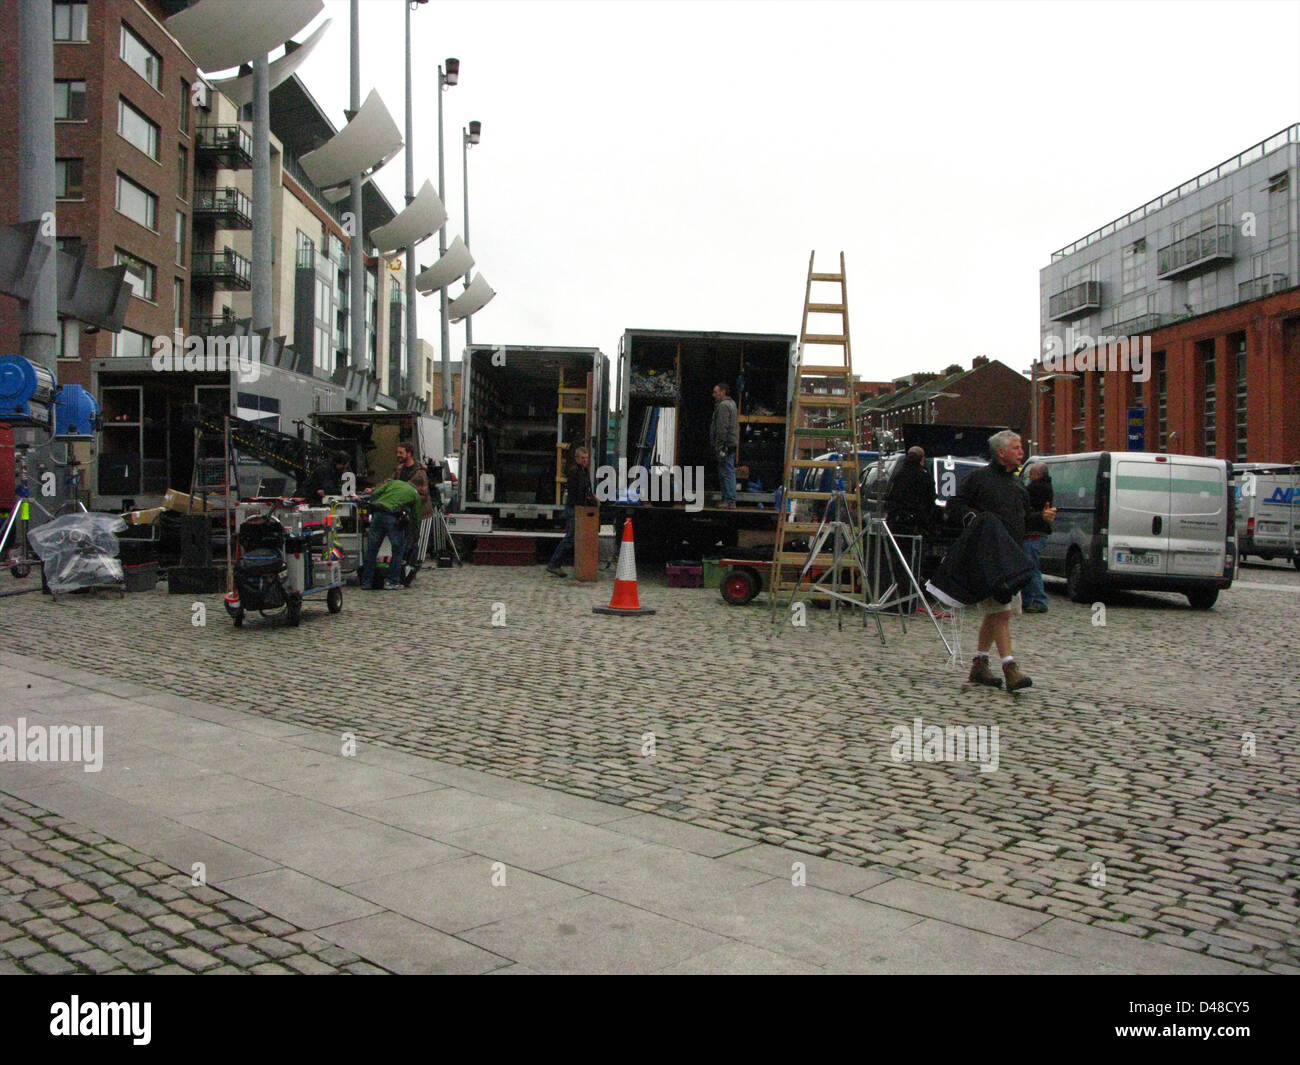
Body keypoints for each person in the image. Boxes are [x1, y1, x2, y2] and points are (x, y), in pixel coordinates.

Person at [952, 430, 1056, 691]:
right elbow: (955, 506)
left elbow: (1022, 521)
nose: (1022, 452)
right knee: (1003, 613)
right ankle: (1010, 668)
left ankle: (979, 665)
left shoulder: (1018, 485)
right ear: (1001, 452)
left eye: (1021, 448)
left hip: (1012, 558)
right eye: (1017, 447)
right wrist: (975, 520)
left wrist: (1041, 519)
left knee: (995, 613)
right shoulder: (978, 479)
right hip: (988, 557)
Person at [359, 476, 420, 590]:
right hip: (393, 517)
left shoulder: (393, 483)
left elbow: (376, 492)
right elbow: (416, 517)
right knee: (398, 549)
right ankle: (392, 581)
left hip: (377, 514)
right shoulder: (415, 494)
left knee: (372, 549)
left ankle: (366, 582)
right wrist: (415, 534)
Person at [546, 445, 596, 577]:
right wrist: (586, 502)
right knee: (570, 538)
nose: (585, 460)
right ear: (577, 459)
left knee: (571, 538)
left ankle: (557, 564)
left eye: (586, 458)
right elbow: (578, 492)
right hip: (575, 508)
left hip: (576, 508)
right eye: (583, 458)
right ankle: (554, 564)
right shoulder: (576, 472)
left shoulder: (582, 471)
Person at [1021, 463, 1055, 613]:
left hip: (1034, 532)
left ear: (1039, 474)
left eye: (1032, 473)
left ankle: (1039, 600)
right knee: (1030, 566)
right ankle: (1028, 599)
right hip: (1038, 532)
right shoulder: (1046, 487)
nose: (1029, 476)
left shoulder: (1036, 488)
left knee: (1032, 567)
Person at [395, 441, 433, 564]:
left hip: (416, 512)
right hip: (403, 512)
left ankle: (411, 566)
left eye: (401, 452)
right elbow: (390, 482)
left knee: (412, 541)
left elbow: (423, 494)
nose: (398, 455)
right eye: (398, 452)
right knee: (402, 540)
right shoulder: (400, 469)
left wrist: (406, 493)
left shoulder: (420, 472)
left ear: (409, 454)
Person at [885, 447, 937, 536]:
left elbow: (891, 496)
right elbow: (930, 498)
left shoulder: (899, 474)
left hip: (897, 521)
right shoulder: (924, 476)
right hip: (917, 523)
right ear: (922, 460)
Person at [710, 383, 739, 509]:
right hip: (730, 444)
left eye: (716, 392)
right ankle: (728, 499)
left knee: (726, 472)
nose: (714, 395)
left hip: (725, 445)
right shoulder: (732, 404)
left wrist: (720, 445)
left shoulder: (723, 406)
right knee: (728, 471)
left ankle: (729, 500)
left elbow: (722, 427)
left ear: (723, 392)